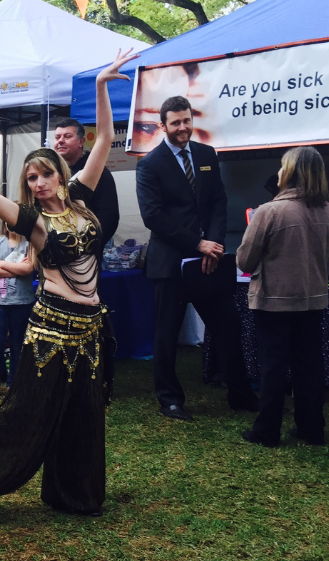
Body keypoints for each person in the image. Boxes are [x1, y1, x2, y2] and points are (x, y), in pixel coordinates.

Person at [0, 49, 138, 528]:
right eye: (30, 178)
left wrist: (101, 86)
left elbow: (104, 142)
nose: (37, 183)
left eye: (45, 174)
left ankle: (73, 493)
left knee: (83, 414)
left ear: (60, 173)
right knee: (25, 413)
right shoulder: (33, 222)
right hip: (52, 327)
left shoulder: (81, 198)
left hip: (89, 327)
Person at [136, 95, 258, 421]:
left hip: (209, 262)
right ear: (163, 126)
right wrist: (197, 244)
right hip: (171, 263)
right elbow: (154, 217)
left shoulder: (206, 155)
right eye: (175, 122)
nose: (183, 127)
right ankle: (170, 400)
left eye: (186, 120)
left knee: (228, 326)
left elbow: (219, 201)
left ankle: (240, 393)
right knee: (167, 333)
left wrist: (214, 243)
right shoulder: (150, 164)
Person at [236, 147, 329, 447]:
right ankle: (312, 428)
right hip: (313, 299)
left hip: (274, 302)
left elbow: (244, 260)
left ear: (290, 173)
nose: (278, 172)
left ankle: (267, 431)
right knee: (309, 366)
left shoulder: (269, 212)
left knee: (274, 367)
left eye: (282, 167)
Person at [0, 227, 35, 399]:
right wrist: (17, 267)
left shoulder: (30, 242)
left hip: (22, 302)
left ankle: (13, 383)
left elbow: (28, 270)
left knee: (17, 345)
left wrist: (2, 263)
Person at [53, 118, 119, 236]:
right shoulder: (53, 172)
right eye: (57, 137)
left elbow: (109, 217)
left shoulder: (97, 172)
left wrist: (91, 245)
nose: (61, 141)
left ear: (81, 141)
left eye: (67, 136)